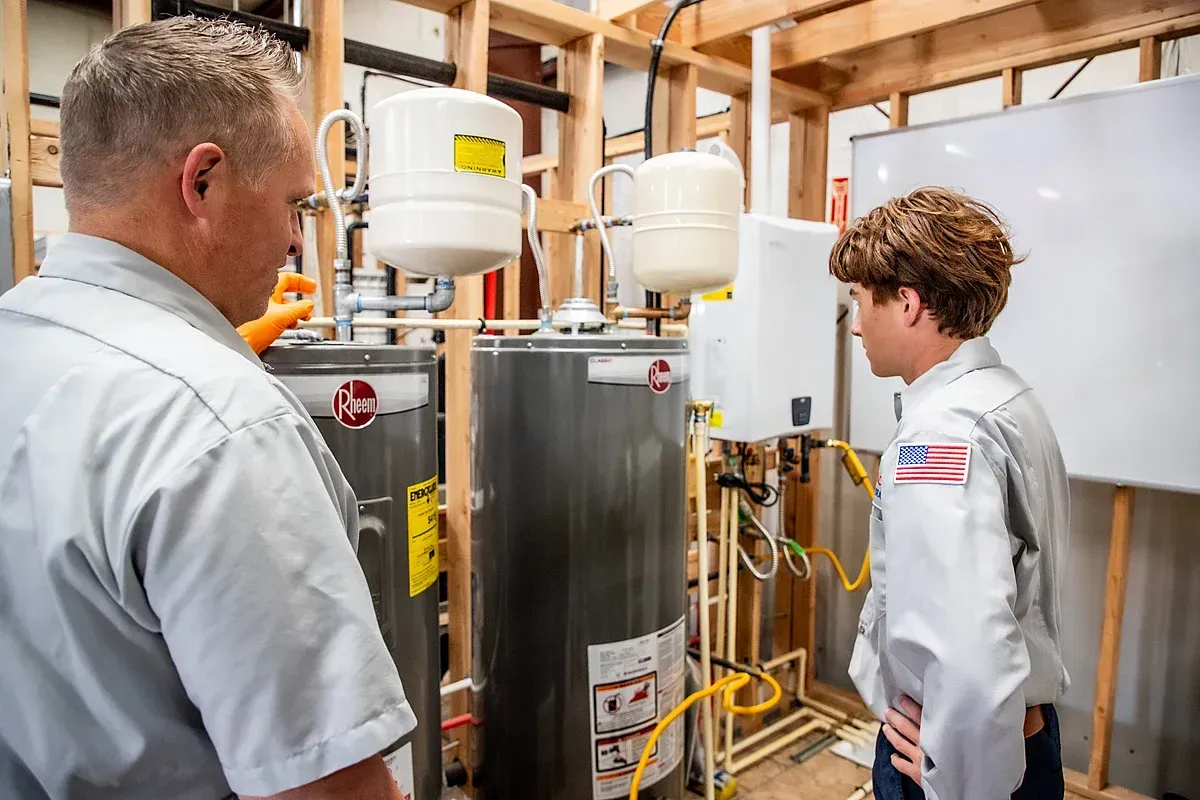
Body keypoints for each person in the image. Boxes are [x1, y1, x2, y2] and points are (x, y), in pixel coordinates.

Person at [0, 18, 415, 800]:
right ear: (203, 182)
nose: (296, 240)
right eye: (295, 204)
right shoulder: (221, 426)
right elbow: (326, 788)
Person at [830, 187, 1070, 800]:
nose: (856, 325)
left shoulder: (939, 436)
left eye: (860, 301)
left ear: (907, 303)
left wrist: (955, 781)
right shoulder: (1006, 396)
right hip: (1014, 741)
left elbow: (968, 645)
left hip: (956, 756)